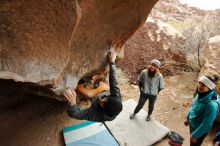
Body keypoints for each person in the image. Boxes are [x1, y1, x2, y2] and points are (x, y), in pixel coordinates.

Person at [63, 52, 122, 122]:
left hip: (97, 97)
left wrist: (72, 103)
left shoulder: (96, 115)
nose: (102, 100)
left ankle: (93, 93)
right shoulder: (116, 98)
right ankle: (98, 89)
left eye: (102, 103)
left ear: (103, 110)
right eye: (105, 99)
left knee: (80, 89)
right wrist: (112, 63)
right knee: (103, 85)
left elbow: (74, 114)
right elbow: (113, 81)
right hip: (104, 91)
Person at [184, 76, 219, 146]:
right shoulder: (200, 95)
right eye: (199, 83)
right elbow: (193, 107)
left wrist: (195, 135)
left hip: (200, 130)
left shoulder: (211, 105)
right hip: (193, 124)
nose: (199, 86)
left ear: (209, 88)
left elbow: (206, 124)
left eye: (203, 85)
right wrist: (188, 118)